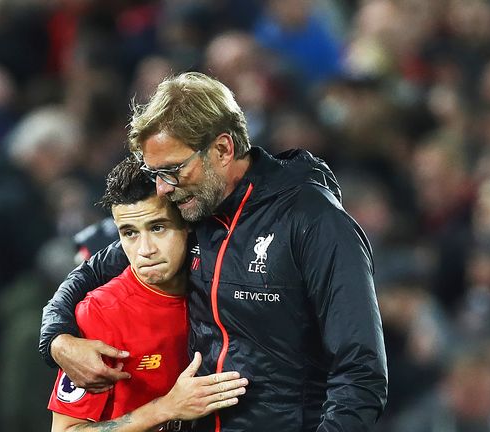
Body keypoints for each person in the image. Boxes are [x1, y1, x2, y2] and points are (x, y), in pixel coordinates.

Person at [40, 72, 388, 431]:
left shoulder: (314, 222)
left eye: (172, 170)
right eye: (154, 172)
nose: (161, 188)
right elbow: (88, 274)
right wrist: (58, 341)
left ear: (223, 149)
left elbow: (361, 374)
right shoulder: (191, 212)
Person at [49, 156, 248, 432]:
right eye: (129, 233)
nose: (145, 250)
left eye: (157, 228)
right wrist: (165, 408)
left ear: (188, 222)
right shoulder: (101, 313)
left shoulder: (219, 292)